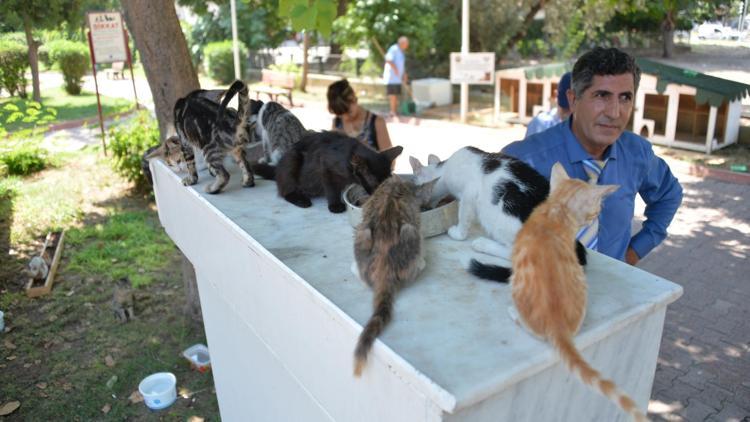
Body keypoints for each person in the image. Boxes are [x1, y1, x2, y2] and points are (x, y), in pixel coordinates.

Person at [503, 47, 683, 265]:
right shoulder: (524, 158)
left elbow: (669, 195)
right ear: (573, 100)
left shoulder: (637, 154)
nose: (614, 112)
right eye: (601, 95)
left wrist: (635, 251)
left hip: (613, 287)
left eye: (625, 97)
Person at [327, 79, 393, 151]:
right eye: (340, 114)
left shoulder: (376, 123)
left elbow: (390, 160)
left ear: (354, 99)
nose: (345, 117)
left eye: (348, 112)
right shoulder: (337, 123)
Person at [525, 72, 572, 138]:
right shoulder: (540, 124)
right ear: (556, 95)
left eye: (573, 110)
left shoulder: (584, 128)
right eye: (565, 109)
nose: (568, 114)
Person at [382, 36, 409, 117]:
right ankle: (392, 112)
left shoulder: (401, 51)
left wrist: (404, 74)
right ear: (402, 43)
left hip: (398, 78)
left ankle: (395, 111)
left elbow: (402, 65)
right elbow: (388, 59)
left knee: (396, 94)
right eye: (406, 43)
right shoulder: (393, 49)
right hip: (391, 77)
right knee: (392, 95)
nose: (407, 45)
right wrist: (395, 69)